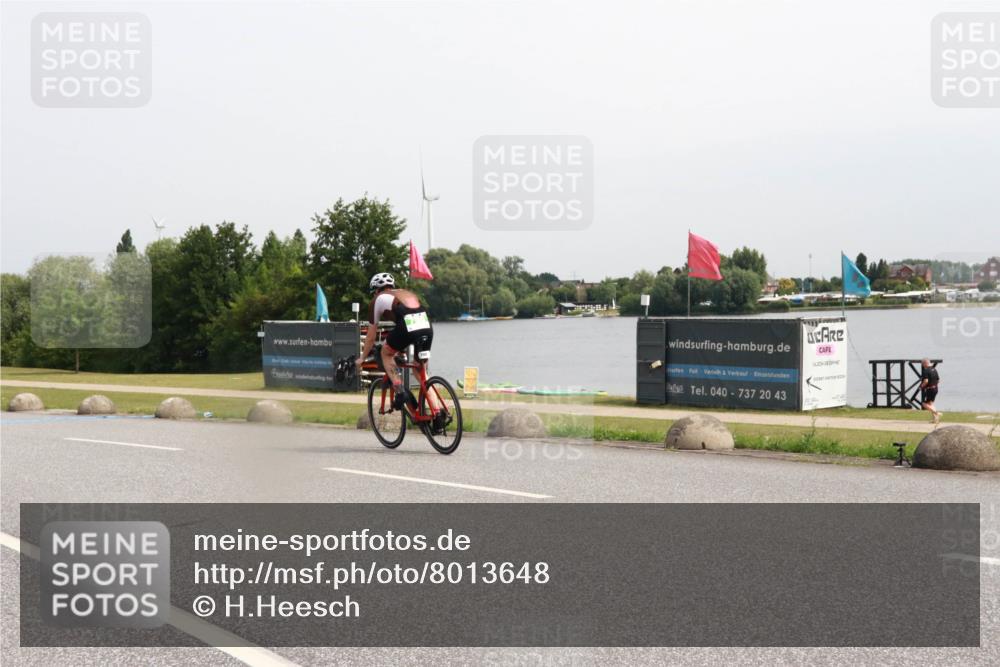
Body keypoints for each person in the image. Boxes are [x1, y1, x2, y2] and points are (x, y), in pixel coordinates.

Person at [357, 273, 439, 419]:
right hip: (426, 325)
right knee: (422, 375)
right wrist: (400, 351)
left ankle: (399, 390)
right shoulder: (404, 293)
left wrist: (362, 358)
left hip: (408, 326)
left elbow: (370, 337)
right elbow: (407, 322)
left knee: (385, 353)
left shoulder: (377, 300)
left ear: (376, 290)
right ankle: (438, 413)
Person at [919, 359, 942, 425]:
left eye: (922, 364)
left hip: (930, 389)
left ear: (925, 363)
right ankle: (935, 419)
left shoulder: (926, 371)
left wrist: (921, 387)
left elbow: (926, 381)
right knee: (930, 404)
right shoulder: (934, 369)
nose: (922, 365)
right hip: (935, 388)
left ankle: (936, 413)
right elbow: (938, 380)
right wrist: (934, 385)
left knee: (924, 404)